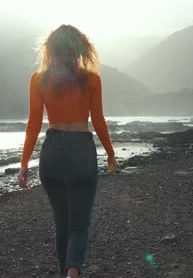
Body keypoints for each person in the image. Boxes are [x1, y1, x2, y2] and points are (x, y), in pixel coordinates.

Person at [18, 24, 119, 278]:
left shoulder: (38, 80)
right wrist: (110, 153)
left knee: (61, 224)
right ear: (80, 49)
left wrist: (24, 164)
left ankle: (65, 274)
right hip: (81, 151)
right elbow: (98, 120)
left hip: (52, 153)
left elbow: (33, 123)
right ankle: (73, 274)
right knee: (78, 225)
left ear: (50, 50)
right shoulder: (92, 79)